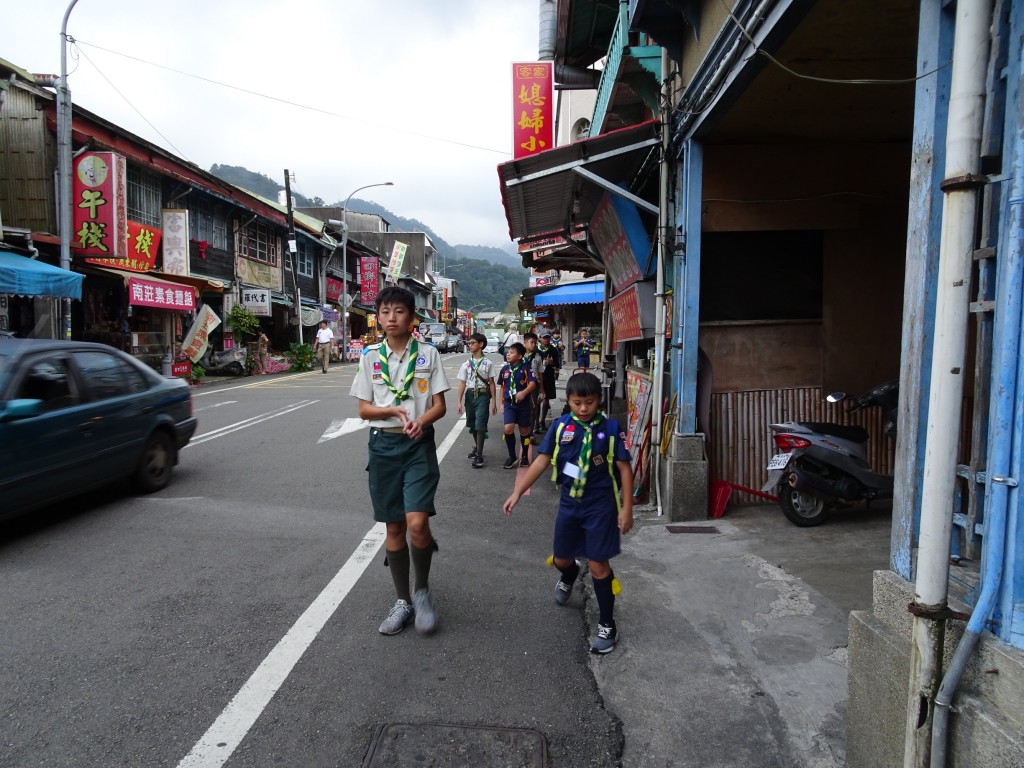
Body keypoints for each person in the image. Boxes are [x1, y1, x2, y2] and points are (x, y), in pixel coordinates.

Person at [503, 372, 634, 654]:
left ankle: (607, 624)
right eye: (577, 403)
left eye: (589, 402)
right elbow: (541, 461)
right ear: (569, 402)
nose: (583, 408)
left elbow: (624, 468)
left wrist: (626, 509)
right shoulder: (562, 426)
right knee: (562, 558)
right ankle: (570, 572)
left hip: (601, 507)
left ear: (599, 400)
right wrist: (518, 492)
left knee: (599, 565)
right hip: (569, 504)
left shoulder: (610, 429)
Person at [349, 286, 450, 636]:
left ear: (412, 318)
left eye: (399, 312)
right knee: (394, 527)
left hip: (418, 446)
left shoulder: (428, 355)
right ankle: (403, 600)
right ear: (378, 317)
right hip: (382, 447)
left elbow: (440, 405)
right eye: (385, 312)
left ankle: (422, 591)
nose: (391, 318)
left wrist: (419, 422)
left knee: (417, 523)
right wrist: (390, 410)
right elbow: (363, 409)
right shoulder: (369, 357)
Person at [456, 332, 498, 468]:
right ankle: (477, 448)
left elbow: (491, 383)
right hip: (470, 395)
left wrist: (494, 403)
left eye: (472, 343)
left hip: (483, 395)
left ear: (481, 344)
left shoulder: (488, 363)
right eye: (469, 343)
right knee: (472, 423)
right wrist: (458, 401)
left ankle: (479, 455)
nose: (470, 345)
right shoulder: (466, 364)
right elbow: (462, 383)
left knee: (480, 424)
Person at [497, 341, 538, 469]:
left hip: (523, 405)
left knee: (524, 431)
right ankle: (512, 456)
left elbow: (533, 384)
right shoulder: (505, 369)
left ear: (520, 356)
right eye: (508, 353)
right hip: (509, 404)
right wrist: (501, 403)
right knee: (508, 429)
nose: (508, 355)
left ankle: (524, 455)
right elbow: (503, 388)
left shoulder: (526, 368)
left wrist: (523, 393)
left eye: (511, 352)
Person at [536, 331, 561, 432]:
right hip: (538, 378)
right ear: (540, 339)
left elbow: (557, 364)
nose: (546, 340)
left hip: (549, 376)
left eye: (547, 338)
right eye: (544, 338)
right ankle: (536, 423)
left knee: (546, 399)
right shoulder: (536, 350)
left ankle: (542, 421)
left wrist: (552, 362)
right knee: (537, 400)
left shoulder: (553, 350)